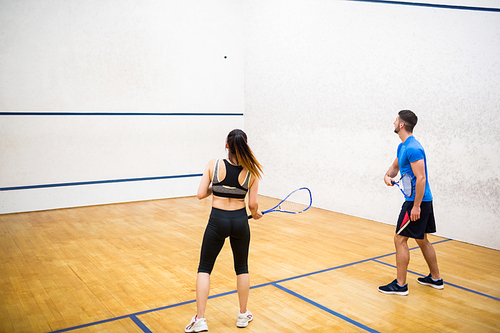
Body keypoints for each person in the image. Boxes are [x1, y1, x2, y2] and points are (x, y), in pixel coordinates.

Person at [185, 129, 263, 332]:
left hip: (217, 221)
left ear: (227, 145)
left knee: (205, 268)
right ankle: (243, 315)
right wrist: (255, 214)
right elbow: (253, 205)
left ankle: (200, 320)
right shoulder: (252, 173)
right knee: (242, 267)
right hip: (239, 222)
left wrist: (216, 187)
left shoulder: (214, 164)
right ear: (245, 146)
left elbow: (201, 194)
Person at [378, 110, 443, 296]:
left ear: (402, 125)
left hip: (417, 202)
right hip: (421, 200)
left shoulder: (413, 147)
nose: (393, 122)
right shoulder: (403, 147)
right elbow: (395, 168)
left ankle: (400, 285)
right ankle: (436, 278)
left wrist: (416, 206)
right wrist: (387, 177)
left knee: (399, 239)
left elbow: (421, 178)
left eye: (396, 120)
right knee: (421, 239)